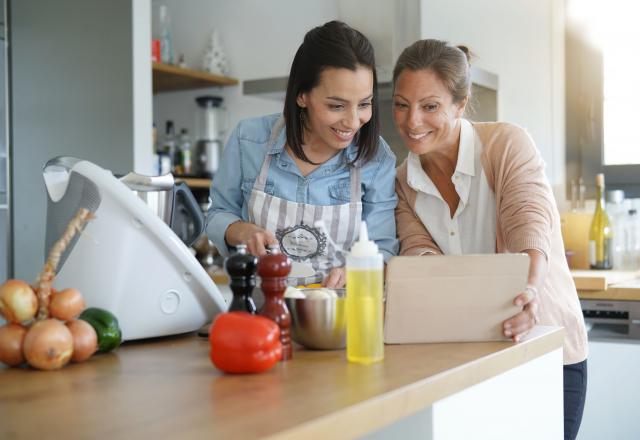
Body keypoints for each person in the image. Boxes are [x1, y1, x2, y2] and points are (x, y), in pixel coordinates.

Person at [392, 39, 588, 440]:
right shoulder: (402, 182)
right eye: (400, 104)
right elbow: (419, 256)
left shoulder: (506, 144)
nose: (412, 121)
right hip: (469, 366)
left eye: (430, 106)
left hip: (545, 352)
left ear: (460, 105)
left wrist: (529, 290)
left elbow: (529, 225)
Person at [207, 21, 398, 288]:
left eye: (364, 104)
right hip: (260, 313)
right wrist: (241, 231)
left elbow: (384, 248)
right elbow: (217, 212)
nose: (353, 122)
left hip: (337, 316)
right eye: (337, 105)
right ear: (301, 96)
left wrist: (359, 271)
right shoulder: (249, 140)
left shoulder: (377, 159)